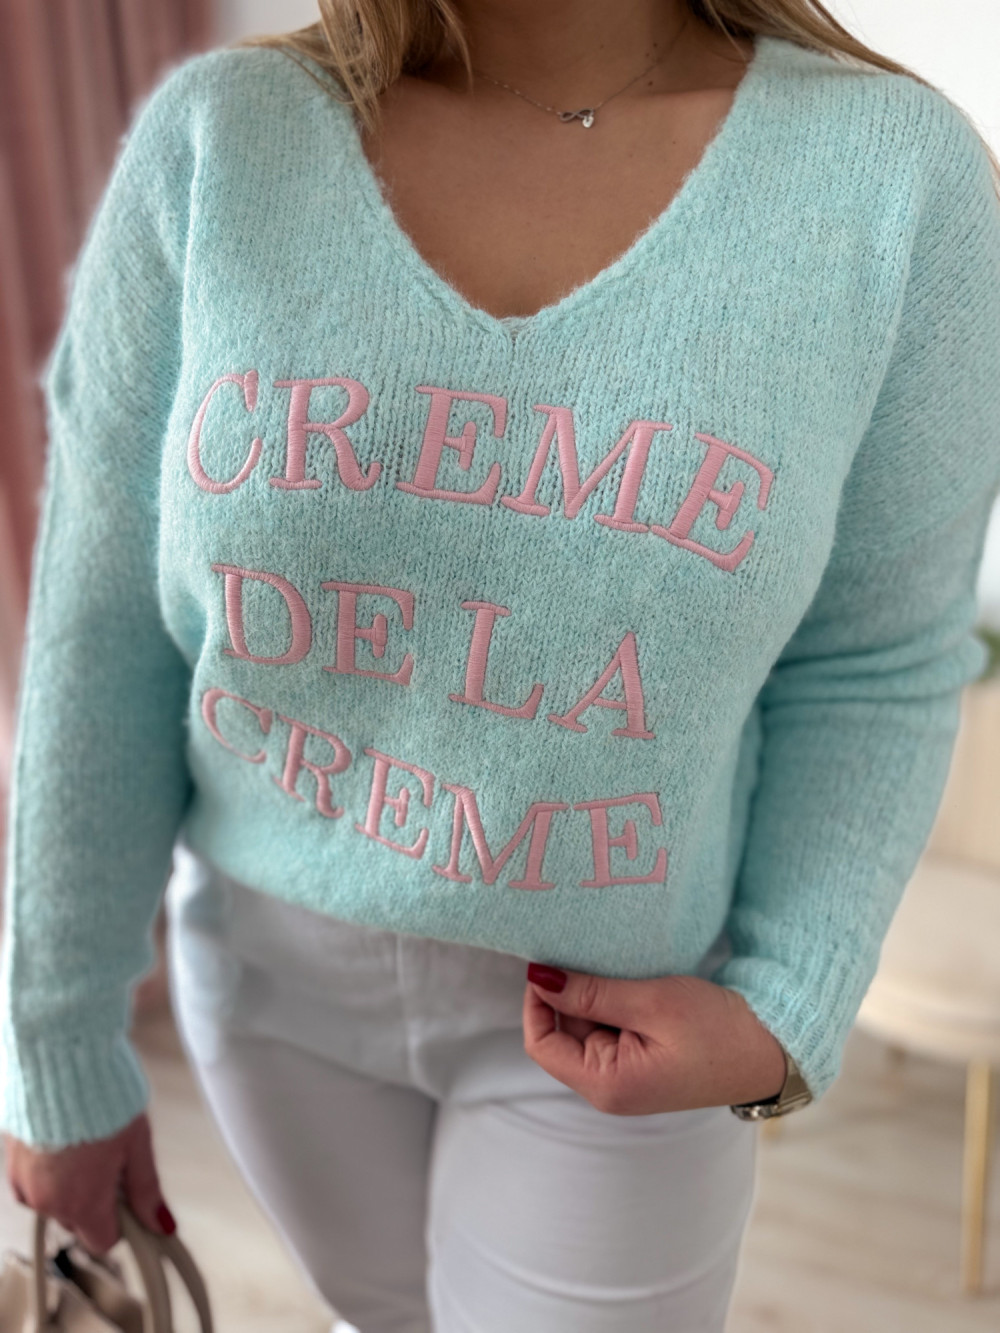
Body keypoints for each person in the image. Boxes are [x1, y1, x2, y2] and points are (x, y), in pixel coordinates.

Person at [2, 1, 999, 1329]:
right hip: (264, 984)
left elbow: (875, 658)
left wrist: (786, 1001)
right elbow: (102, 626)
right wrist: (57, 1048)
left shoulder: (897, 182)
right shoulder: (220, 141)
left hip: (628, 1014)